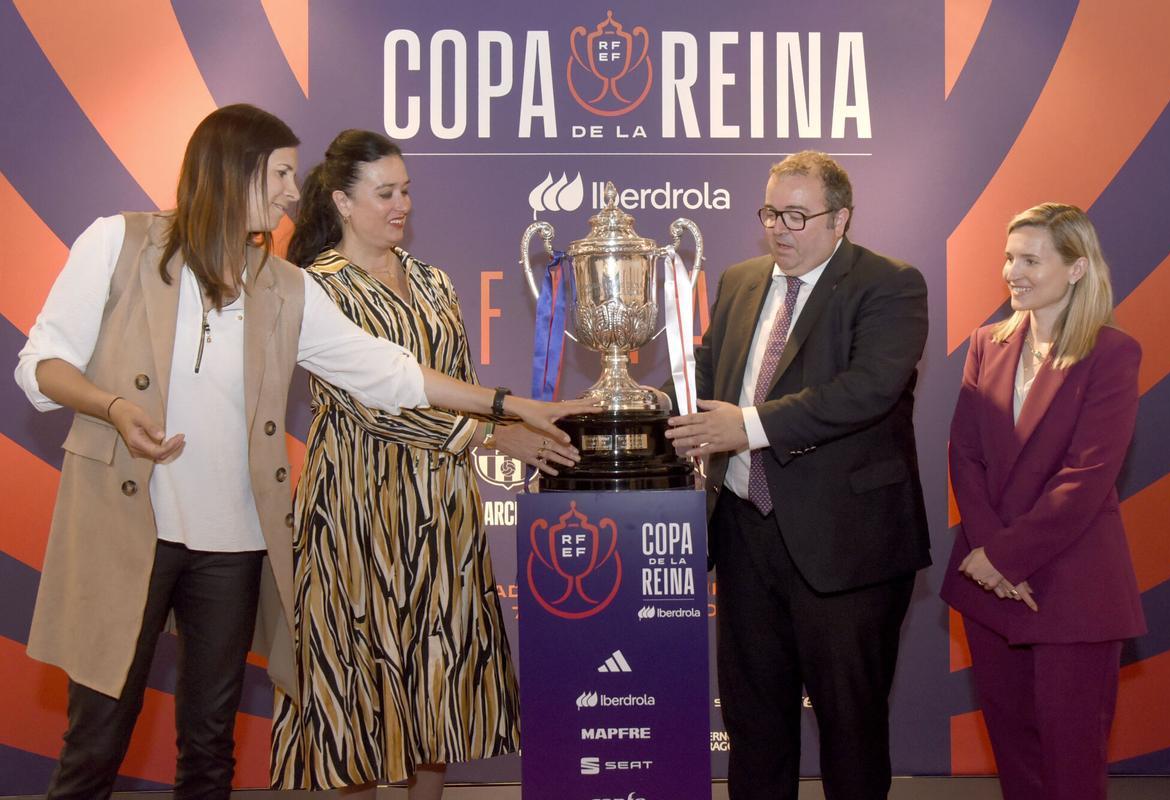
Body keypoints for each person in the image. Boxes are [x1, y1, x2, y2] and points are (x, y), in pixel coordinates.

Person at [14, 104, 584, 800]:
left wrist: (506, 403)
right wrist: (113, 406)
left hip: (232, 542)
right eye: (281, 173)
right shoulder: (119, 243)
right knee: (98, 736)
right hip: (127, 529)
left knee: (209, 745)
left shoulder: (282, 285)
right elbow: (41, 364)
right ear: (235, 171)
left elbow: (385, 370)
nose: (292, 190)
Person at [269, 129, 575, 798]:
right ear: (344, 203)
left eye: (406, 190)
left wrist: (513, 427)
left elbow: (458, 380)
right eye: (386, 193)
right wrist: (497, 437)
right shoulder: (314, 288)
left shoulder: (433, 279)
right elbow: (372, 405)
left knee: (439, 678)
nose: (402, 204)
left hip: (443, 512)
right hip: (356, 510)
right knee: (359, 687)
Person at [664, 151, 930, 799]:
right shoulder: (741, 281)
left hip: (847, 544)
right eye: (769, 213)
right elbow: (703, 378)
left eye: (796, 215)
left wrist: (747, 426)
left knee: (851, 725)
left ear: (840, 219)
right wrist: (640, 406)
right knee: (754, 723)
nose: (779, 229)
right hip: (746, 536)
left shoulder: (889, 284)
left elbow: (868, 389)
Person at [940, 203, 1145, 800]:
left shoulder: (1113, 353)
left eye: (1031, 259)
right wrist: (990, 558)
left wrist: (1004, 559)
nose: (1012, 271)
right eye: (1009, 257)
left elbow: (1087, 476)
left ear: (1077, 269)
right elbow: (965, 456)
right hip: (988, 586)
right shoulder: (987, 344)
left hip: (1073, 589)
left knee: (1071, 764)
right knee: (1016, 759)